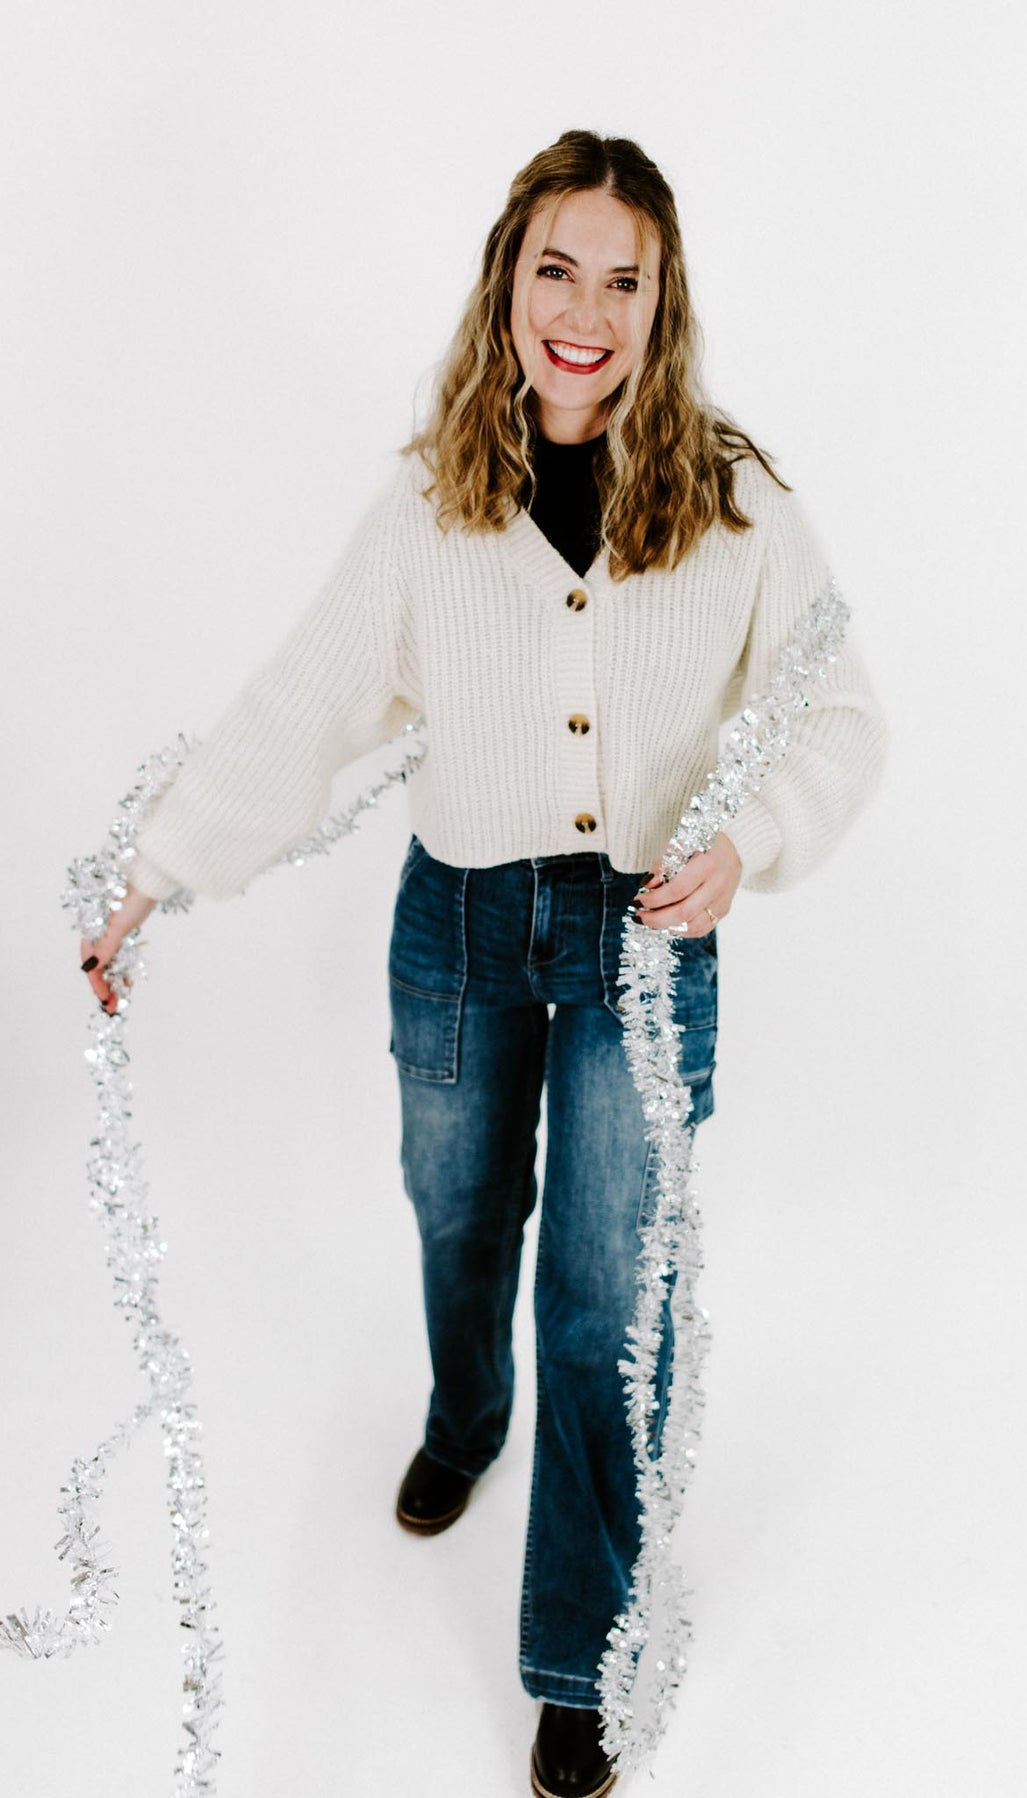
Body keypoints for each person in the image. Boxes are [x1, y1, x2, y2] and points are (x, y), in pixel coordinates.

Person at [79, 130, 887, 1798]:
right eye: (555, 271)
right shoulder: (431, 496)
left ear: (662, 305)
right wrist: (155, 873)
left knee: (601, 1302)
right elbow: (305, 701)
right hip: (457, 927)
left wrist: (751, 842)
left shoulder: (737, 499)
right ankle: (466, 1414)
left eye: (621, 282)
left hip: (641, 949)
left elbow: (842, 712)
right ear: (507, 285)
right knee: (459, 1216)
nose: (583, 313)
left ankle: (577, 1657)